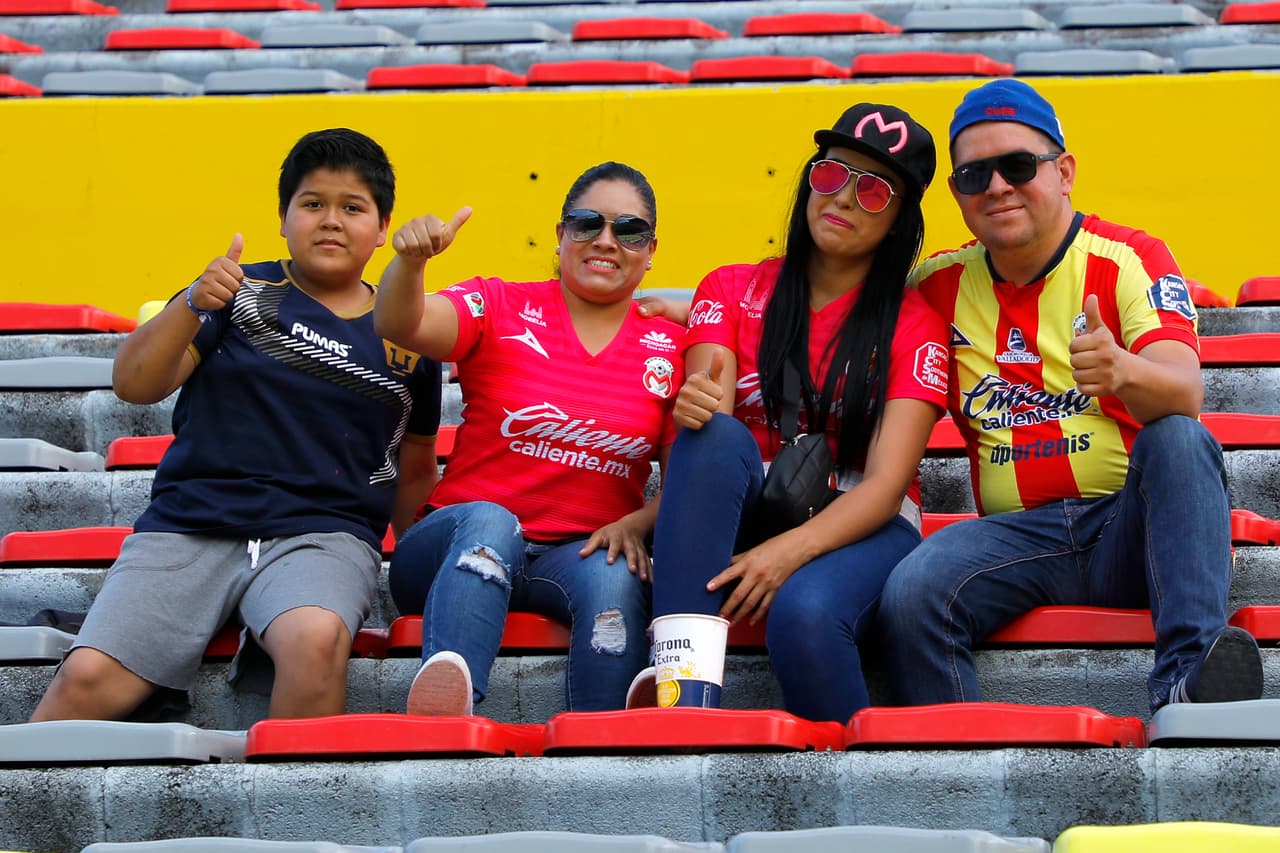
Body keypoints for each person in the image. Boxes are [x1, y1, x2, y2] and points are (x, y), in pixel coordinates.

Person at [30, 128, 442, 722]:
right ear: (283, 217)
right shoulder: (235, 291)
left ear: (382, 229)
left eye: (352, 208)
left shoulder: (409, 335)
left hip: (323, 536)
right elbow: (134, 383)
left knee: (314, 643)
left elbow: (415, 469)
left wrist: (417, 577)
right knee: (88, 678)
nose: (331, 220)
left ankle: (290, 812)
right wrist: (195, 301)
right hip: (191, 524)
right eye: (312, 204)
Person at [879, 79, 1263, 712]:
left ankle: (1187, 685)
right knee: (913, 590)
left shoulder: (1127, 257)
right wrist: (692, 304)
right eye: (975, 174)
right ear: (957, 194)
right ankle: (958, 757)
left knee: (1178, 437)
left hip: (1127, 526)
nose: (997, 186)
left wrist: (1121, 371)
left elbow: (1185, 392)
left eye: (1018, 165)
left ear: (1064, 171)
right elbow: (829, 303)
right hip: (1012, 540)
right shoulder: (935, 285)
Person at [634, 103, 950, 723]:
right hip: (755, 498)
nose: (845, 200)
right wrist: (697, 402)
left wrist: (789, 552)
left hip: (862, 519)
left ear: (898, 221)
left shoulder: (914, 323)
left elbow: (887, 486)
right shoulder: (729, 287)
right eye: (832, 175)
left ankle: (854, 796)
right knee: (714, 435)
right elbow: (712, 436)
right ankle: (681, 696)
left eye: (875, 189)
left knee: (803, 613)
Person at [374, 161, 681, 715]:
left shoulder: (670, 345)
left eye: (628, 230)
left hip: (575, 555)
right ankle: (445, 706)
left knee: (616, 576)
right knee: (493, 521)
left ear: (651, 248)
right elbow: (403, 323)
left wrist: (637, 523)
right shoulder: (500, 303)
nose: (606, 241)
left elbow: (689, 476)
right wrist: (410, 263)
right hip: (452, 550)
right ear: (561, 234)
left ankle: (605, 743)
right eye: (588, 224)